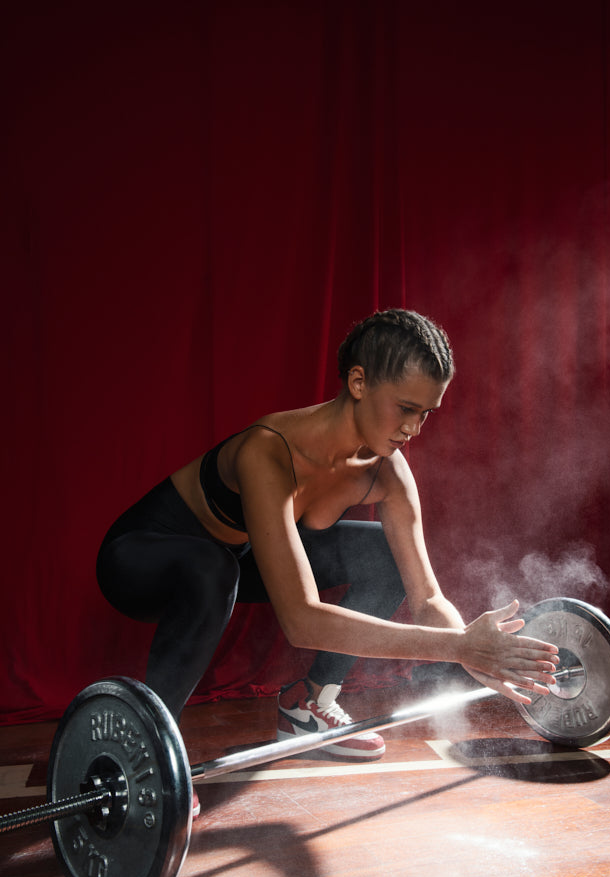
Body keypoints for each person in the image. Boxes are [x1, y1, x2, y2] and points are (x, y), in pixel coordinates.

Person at [96, 309, 559, 814]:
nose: (413, 427)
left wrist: (473, 653)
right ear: (358, 383)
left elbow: (427, 597)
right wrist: (457, 646)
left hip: (238, 558)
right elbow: (301, 620)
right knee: (212, 569)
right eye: (405, 408)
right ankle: (147, 750)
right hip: (139, 560)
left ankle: (309, 703)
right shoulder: (268, 450)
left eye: (427, 413)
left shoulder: (388, 472)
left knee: (381, 555)